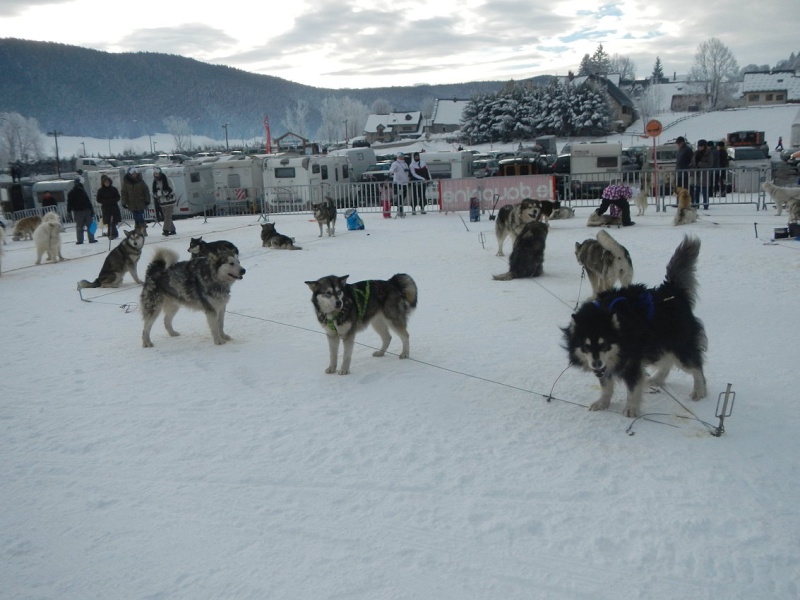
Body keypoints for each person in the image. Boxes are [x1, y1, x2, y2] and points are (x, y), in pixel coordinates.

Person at [66, 178, 97, 244]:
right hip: (78, 212)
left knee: (88, 226)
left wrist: (91, 209)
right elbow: (69, 203)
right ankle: (81, 240)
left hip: (86, 210)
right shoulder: (72, 193)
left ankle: (89, 239)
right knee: (80, 227)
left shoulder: (82, 191)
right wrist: (68, 212)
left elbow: (88, 201)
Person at [120, 166, 151, 232]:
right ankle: (137, 229)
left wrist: (147, 200)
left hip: (140, 202)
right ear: (130, 174)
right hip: (132, 203)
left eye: (135, 173)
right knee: (135, 217)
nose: (134, 175)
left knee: (140, 216)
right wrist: (124, 202)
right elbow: (124, 193)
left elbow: (146, 191)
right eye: (133, 174)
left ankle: (143, 229)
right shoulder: (126, 183)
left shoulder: (141, 182)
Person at [96, 174, 122, 239]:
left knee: (113, 222)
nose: (107, 183)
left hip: (114, 207)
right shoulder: (101, 190)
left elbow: (118, 197)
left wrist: (112, 200)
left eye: (108, 182)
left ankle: (113, 233)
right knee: (109, 222)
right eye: (105, 182)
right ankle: (111, 234)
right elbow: (98, 199)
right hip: (106, 208)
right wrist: (106, 201)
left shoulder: (113, 189)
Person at [152, 167, 176, 236]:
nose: (156, 175)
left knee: (167, 216)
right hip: (162, 202)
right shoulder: (155, 182)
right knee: (166, 217)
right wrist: (157, 195)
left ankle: (166, 230)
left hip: (169, 201)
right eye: (155, 174)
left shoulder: (167, 179)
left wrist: (163, 193)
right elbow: (154, 192)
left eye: (157, 173)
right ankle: (172, 229)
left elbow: (172, 189)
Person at [690, 139, 713, 210]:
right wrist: (691, 167)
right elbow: (692, 161)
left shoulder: (708, 153)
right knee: (696, 190)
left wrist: (700, 164)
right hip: (696, 174)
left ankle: (705, 204)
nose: (700, 147)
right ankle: (696, 204)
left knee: (704, 190)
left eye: (701, 146)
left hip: (704, 174)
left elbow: (710, 163)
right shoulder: (696, 153)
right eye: (699, 146)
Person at [388, 152, 410, 217]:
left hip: (404, 182)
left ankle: (400, 208)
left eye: (402, 156)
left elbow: (406, 171)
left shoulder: (405, 163)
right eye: (400, 156)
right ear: (397, 157)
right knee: (400, 196)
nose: (401, 157)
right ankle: (399, 209)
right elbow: (391, 170)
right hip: (398, 183)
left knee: (404, 196)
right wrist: (394, 170)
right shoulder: (395, 163)